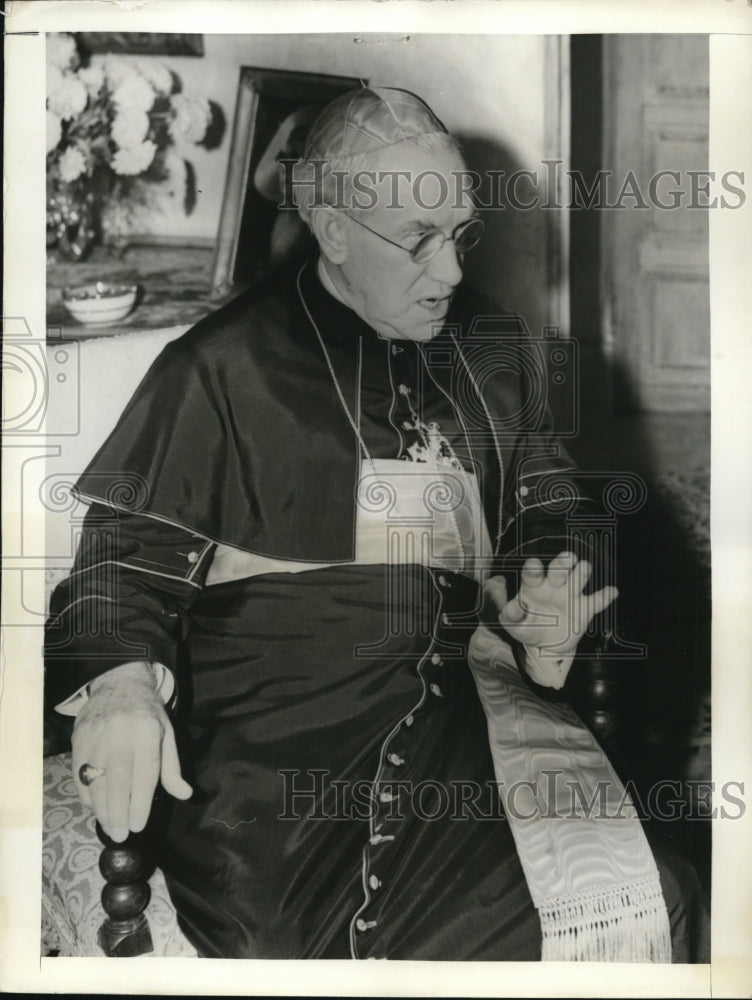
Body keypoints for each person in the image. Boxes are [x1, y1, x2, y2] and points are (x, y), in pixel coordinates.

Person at [45, 87, 709, 961]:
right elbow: (118, 566)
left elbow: (554, 504)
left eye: (462, 235)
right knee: (313, 943)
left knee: (663, 893)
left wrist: (550, 581)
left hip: (466, 714)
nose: (453, 272)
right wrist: (124, 685)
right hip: (277, 739)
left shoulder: (491, 350)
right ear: (333, 230)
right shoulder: (220, 366)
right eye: (420, 240)